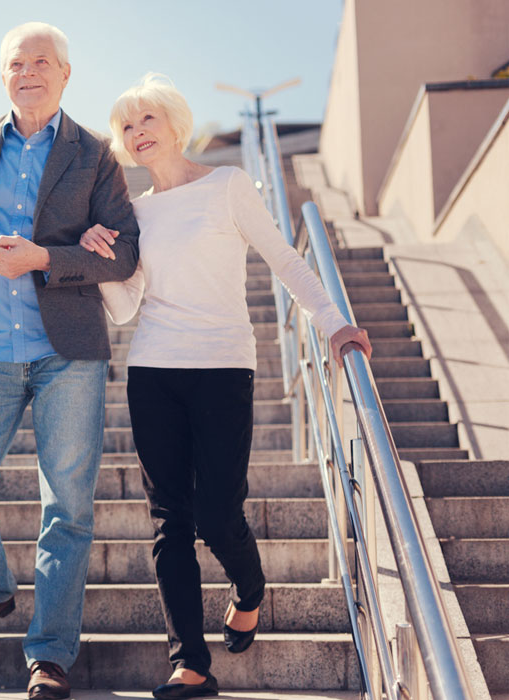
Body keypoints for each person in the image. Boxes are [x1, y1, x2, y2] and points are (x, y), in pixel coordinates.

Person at [80, 73, 373, 699]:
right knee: (169, 522)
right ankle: (190, 663)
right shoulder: (130, 212)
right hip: (153, 371)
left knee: (217, 513)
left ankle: (250, 587)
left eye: (147, 121)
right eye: (126, 128)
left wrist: (334, 324)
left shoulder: (227, 186)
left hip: (221, 365)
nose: (136, 135)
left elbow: (284, 257)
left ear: (175, 124)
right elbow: (127, 308)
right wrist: (104, 260)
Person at [0, 21, 140, 700]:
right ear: (3, 76)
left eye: (42, 62)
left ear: (66, 74)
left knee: (68, 508)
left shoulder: (95, 154)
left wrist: (48, 257)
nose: (29, 71)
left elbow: (126, 251)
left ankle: (49, 655)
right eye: (17, 63)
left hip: (66, 353)